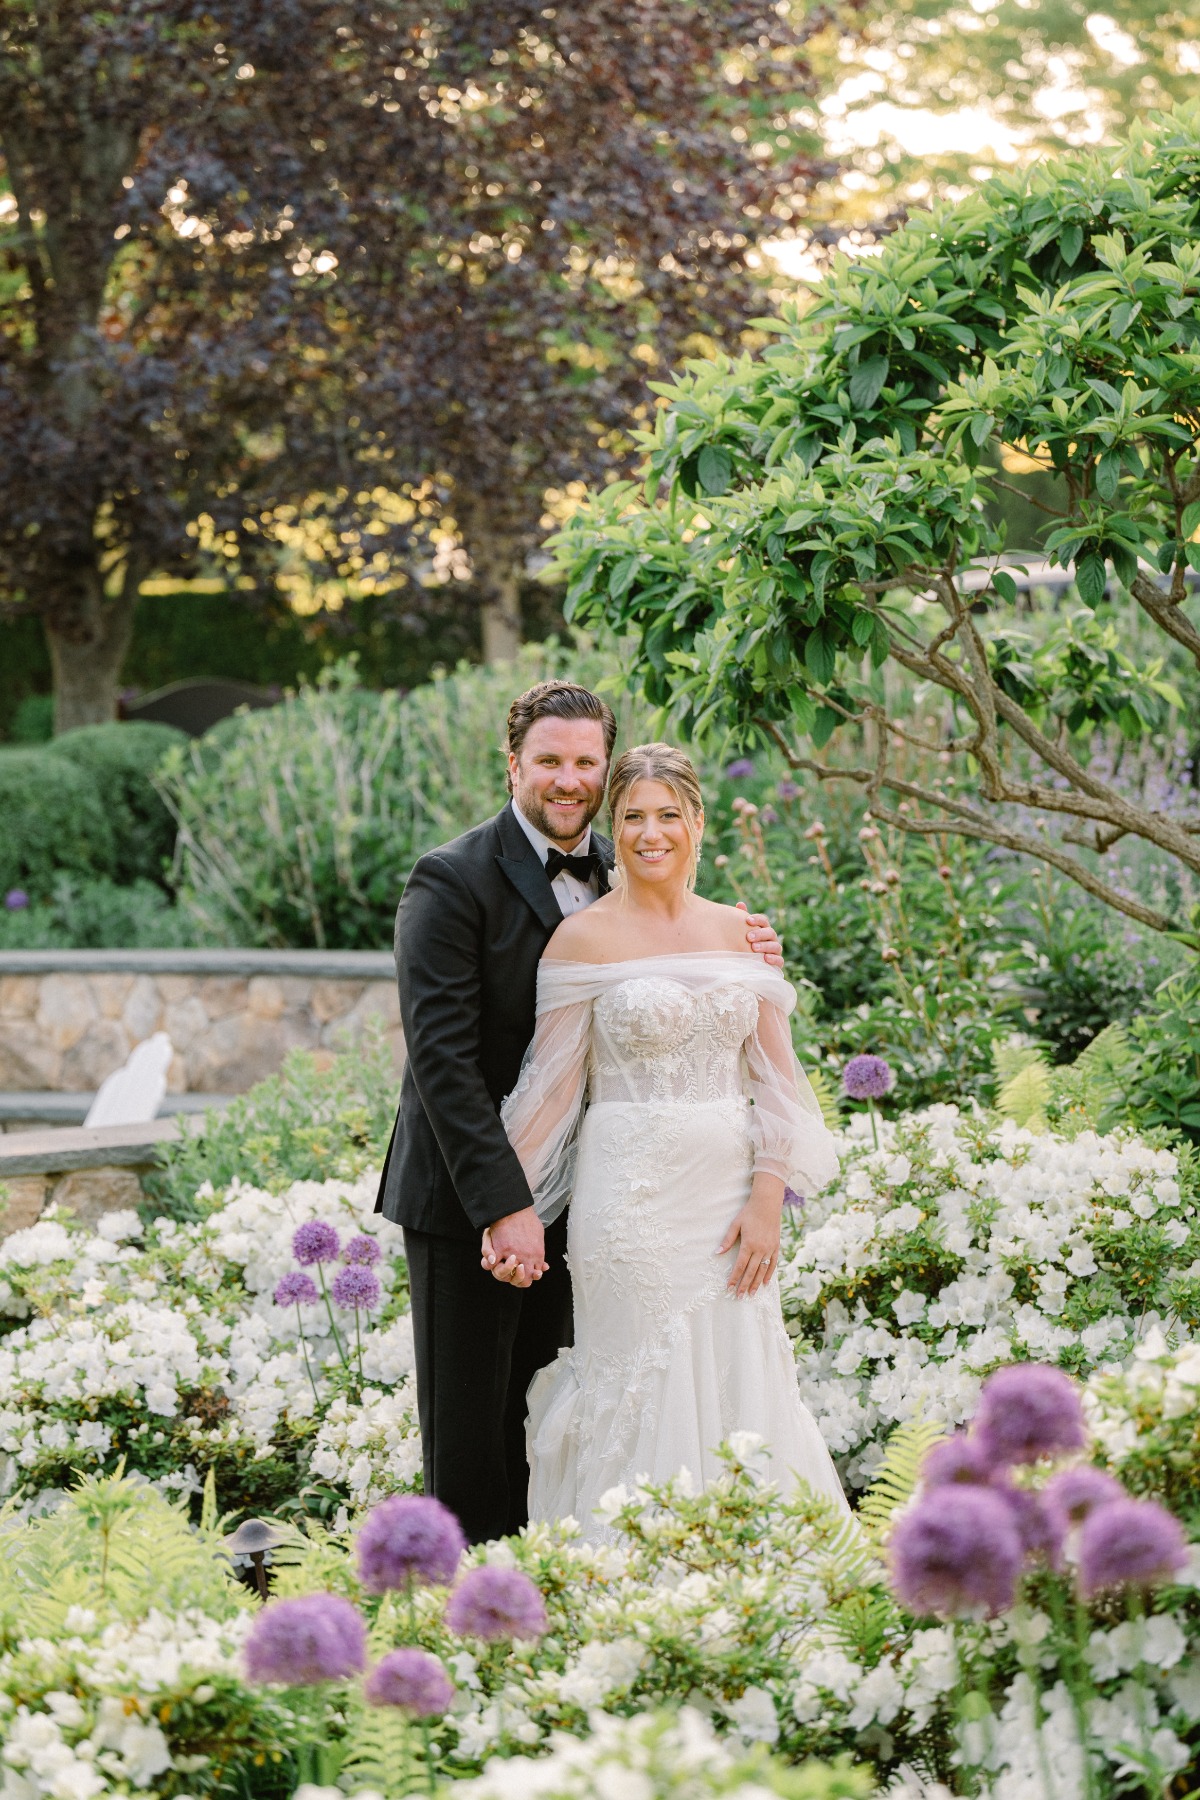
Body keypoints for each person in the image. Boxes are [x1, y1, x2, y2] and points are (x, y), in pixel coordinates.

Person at [375, 683, 785, 1543]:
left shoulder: (626, 858)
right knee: (473, 1437)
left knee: (574, 1406)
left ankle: (559, 1592)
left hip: (607, 1198)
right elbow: (443, 1064)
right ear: (514, 763)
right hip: (472, 1200)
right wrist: (505, 1206)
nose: (568, 780)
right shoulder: (450, 881)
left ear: (606, 770)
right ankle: (470, 1613)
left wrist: (747, 959)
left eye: (585, 763)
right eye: (550, 761)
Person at [486, 741, 847, 1538]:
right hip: (630, 1211)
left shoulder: (739, 933)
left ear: (698, 823)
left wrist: (767, 1201)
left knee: (740, 1376)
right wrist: (503, 1206)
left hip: (729, 1208)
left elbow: (778, 1083)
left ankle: (751, 1580)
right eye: (634, 817)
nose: (652, 833)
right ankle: (636, 1580)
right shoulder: (581, 941)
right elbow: (546, 1095)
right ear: (616, 828)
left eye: (669, 815)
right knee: (641, 1385)